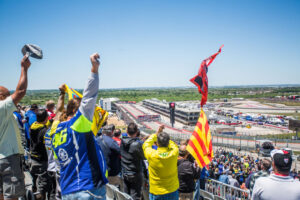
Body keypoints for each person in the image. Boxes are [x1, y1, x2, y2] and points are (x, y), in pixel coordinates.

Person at [51, 53, 108, 199]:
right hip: (87, 187)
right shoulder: (79, 124)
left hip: (67, 190)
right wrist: (94, 70)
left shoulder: (55, 130)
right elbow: (89, 97)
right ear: (77, 112)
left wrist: (61, 95)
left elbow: (58, 113)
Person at [0, 55, 31, 200]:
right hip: (7, 158)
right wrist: (24, 68)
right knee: (12, 196)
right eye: (7, 97)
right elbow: (20, 92)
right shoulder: (1, 108)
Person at [143, 125, 179, 200]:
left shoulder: (151, 154)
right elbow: (173, 145)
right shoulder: (174, 153)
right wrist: (166, 139)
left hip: (156, 192)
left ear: (157, 143)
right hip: (172, 190)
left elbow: (146, 144)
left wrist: (156, 134)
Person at [29, 109, 50, 199]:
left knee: (34, 181)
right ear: (46, 118)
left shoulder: (32, 127)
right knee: (43, 186)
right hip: (42, 159)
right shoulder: (44, 131)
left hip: (33, 157)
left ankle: (33, 194)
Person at [121, 123, 145, 199]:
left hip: (125, 172)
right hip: (135, 174)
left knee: (126, 196)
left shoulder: (122, 141)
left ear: (127, 131)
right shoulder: (136, 144)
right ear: (136, 132)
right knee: (135, 196)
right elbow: (143, 156)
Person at [96, 124, 122, 190]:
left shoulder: (96, 140)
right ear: (111, 132)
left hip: (100, 172)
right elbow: (120, 152)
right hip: (111, 173)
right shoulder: (112, 142)